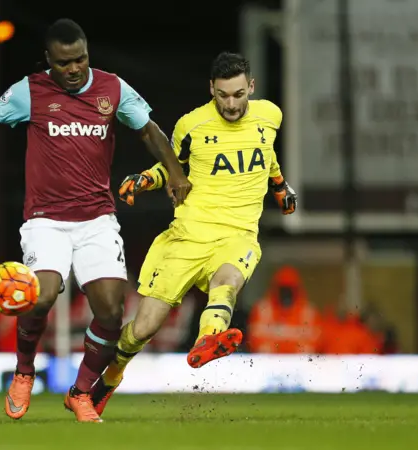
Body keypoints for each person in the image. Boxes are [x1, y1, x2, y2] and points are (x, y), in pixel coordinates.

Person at [0, 18, 190, 422]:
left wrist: (176, 173)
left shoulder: (113, 89)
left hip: (97, 218)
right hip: (45, 220)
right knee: (41, 295)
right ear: (50, 60)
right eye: (64, 63)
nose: (74, 69)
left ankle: (81, 393)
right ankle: (25, 371)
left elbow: (149, 131)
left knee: (112, 310)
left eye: (80, 59)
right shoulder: (30, 91)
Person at [89, 52, 297, 416]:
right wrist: (145, 180)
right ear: (211, 90)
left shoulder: (271, 115)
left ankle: (208, 339)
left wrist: (279, 185)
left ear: (251, 87)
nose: (230, 104)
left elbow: (266, 154)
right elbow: (172, 165)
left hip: (238, 234)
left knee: (228, 280)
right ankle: (112, 376)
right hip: (188, 236)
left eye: (237, 94)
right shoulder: (192, 125)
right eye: (222, 95)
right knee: (143, 328)